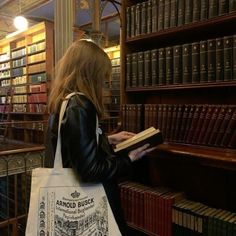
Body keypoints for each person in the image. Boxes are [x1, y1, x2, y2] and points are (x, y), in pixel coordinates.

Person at [46, 39, 155, 235]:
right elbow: (91, 171)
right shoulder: (81, 105)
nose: (104, 81)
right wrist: (129, 158)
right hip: (90, 200)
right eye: (102, 75)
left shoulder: (62, 101)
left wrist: (107, 139)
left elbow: (72, 146)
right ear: (90, 72)